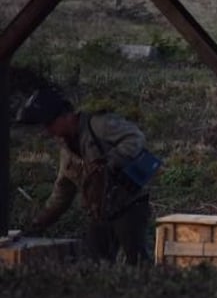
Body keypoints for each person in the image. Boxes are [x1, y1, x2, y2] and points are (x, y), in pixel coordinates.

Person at [16, 87, 153, 265]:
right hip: (99, 213)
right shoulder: (67, 151)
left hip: (129, 205)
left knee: (138, 262)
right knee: (96, 265)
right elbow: (63, 192)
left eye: (50, 124)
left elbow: (136, 138)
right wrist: (39, 223)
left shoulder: (99, 125)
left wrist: (111, 162)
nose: (49, 131)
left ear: (66, 116)